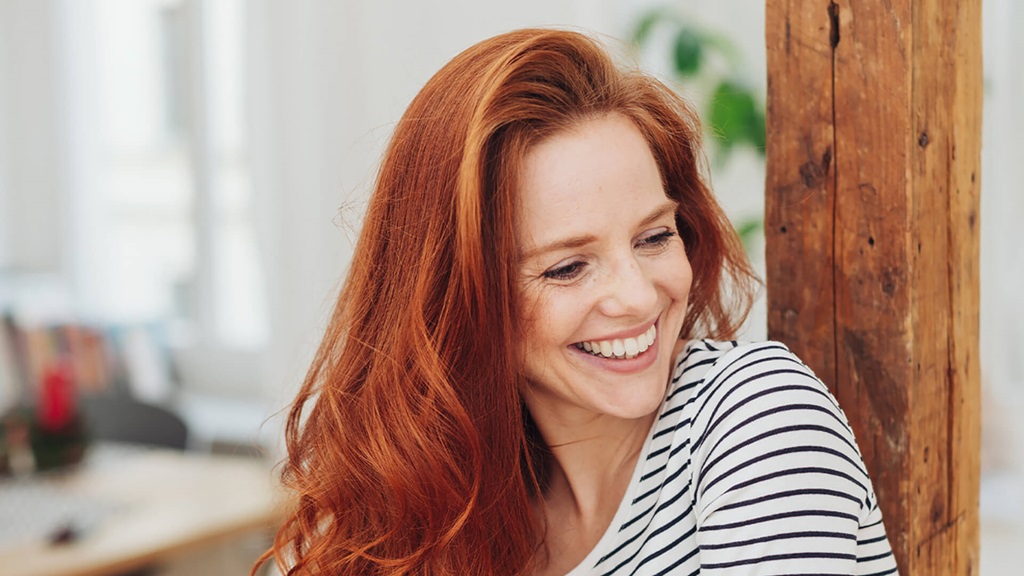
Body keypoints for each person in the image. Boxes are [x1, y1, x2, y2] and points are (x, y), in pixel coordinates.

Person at [255, 28, 898, 576]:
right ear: (457, 297)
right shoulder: (449, 506)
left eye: (654, 236)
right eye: (567, 268)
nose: (638, 295)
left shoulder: (758, 420)